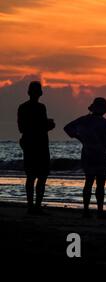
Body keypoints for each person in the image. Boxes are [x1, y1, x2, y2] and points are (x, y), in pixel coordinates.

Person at [64, 97, 106, 219]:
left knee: (88, 182)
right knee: (100, 184)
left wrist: (80, 138)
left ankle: (86, 211)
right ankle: (100, 211)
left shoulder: (84, 120)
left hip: (87, 153)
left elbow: (67, 128)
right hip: (101, 155)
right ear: (103, 110)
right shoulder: (105, 123)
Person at [17, 81, 55, 215]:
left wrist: (45, 125)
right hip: (38, 144)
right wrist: (49, 125)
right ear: (39, 93)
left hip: (30, 143)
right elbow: (39, 127)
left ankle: (32, 206)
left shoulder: (23, 107)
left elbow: (22, 128)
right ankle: (35, 206)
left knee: (32, 176)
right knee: (40, 176)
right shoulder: (40, 107)